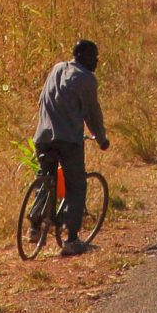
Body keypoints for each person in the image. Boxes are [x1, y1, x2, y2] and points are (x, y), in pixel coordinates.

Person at [33, 40, 109, 255]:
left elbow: (42, 100)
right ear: (83, 56)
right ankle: (72, 239)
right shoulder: (86, 79)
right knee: (76, 185)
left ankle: (34, 225)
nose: (96, 61)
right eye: (94, 56)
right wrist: (101, 139)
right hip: (68, 140)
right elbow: (92, 114)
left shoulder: (57, 68)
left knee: (46, 178)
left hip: (42, 136)